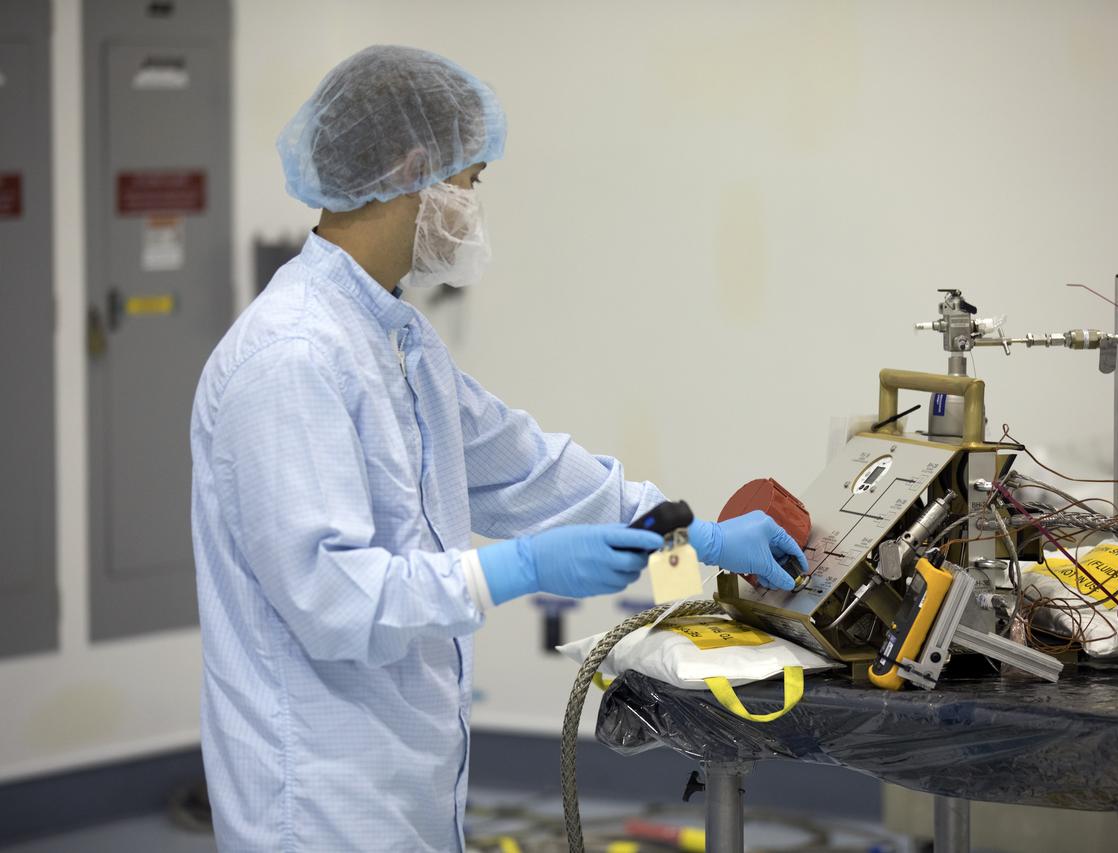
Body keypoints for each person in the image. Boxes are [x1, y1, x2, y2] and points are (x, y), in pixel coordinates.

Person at [190, 45, 806, 853]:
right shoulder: (290, 358)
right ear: (416, 171)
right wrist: (522, 568)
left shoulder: (395, 337)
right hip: (317, 804)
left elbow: (526, 466)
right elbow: (337, 600)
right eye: (471, 183)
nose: (474, 209)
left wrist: (690, 532)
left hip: (405, 786)